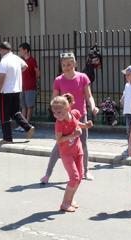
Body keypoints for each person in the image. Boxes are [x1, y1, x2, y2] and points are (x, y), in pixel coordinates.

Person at [40, 52, 100, 183]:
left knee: (83, 144)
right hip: (64, 118)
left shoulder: (83, 77)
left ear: (75, 64)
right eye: (64, 65)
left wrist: (93, 107)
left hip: (80, 116)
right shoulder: (59, 80)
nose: (67, 67)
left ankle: (85, 171)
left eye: (70, 64)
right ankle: (47, 175)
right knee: (59, 144)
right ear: (61, 66)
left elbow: (88, 96)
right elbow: (54, 99)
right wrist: (56, 111)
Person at [50, 94, 93, 212]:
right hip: (66, 153)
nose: (57, 115)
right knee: (74, 177)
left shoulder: (73, 114)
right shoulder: (59, 124)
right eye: (55, 113)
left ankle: (70, 199)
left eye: (60, 112)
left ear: (67, 109)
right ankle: (64, 203)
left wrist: (86, 125)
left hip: (78, 151)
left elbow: (76, 123)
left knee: (79, 177)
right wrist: (73, 135)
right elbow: (59, 140)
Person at [0, 41, 35, 143]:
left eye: (0, 50)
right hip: (16, 90)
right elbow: (25, 66)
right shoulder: (16, 58)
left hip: (5, 91)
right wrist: (15, 75)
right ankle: (28, 127)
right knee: (15, 112)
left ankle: (7, 138)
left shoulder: (4, 61)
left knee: (5, 115)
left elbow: (1, 77)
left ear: (2, 49)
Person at [17, 42, 40, 128]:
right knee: (23, 106)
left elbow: (37, 72)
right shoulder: (21, 61)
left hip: (30, 87)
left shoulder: (32, 60)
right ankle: (23, 124)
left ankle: (27, 125)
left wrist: (34, 81)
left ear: (26, 50)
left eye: (20, 50)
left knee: (29, 106)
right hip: (22, 86)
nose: (19, 52)